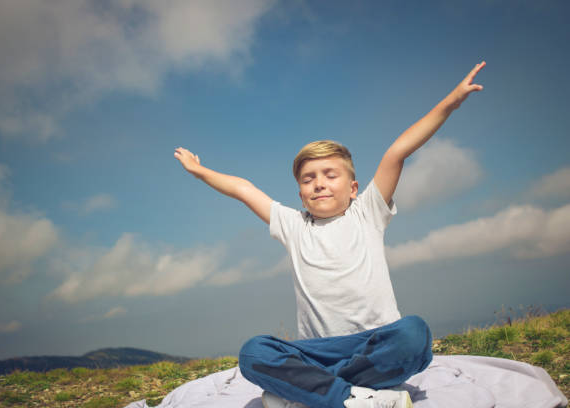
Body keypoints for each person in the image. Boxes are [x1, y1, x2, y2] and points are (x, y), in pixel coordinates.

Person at [174, 61, 486, 408]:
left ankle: (312, 395)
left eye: (329, 175)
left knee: (414, 334)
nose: (319, 183)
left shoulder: (367, 211)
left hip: (373, 344)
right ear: (300, 194)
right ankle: (353, 398)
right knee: (252, 353)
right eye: (308, 179)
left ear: (353, 188)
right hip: (315, 352)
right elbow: (243, 189)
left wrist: (451, 102)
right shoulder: (293, 225)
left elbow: (398, 151)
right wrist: (199, 171)